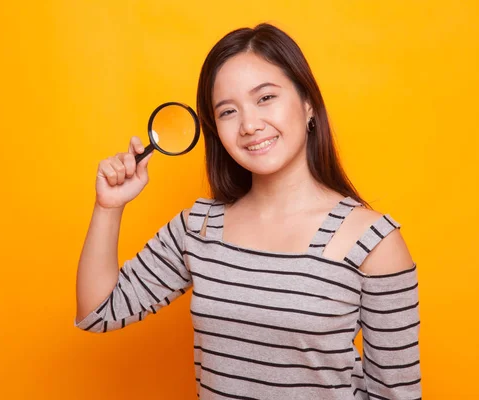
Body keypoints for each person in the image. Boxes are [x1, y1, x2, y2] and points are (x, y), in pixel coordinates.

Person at [75, 23, 422, 400]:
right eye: (227, 111)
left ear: (307, 102)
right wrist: (109, 207)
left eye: (266, 98)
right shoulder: (200, 228)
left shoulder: (374, 241)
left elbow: (397, 394)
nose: (250, 125)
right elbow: (98, 311)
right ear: (215, 130)